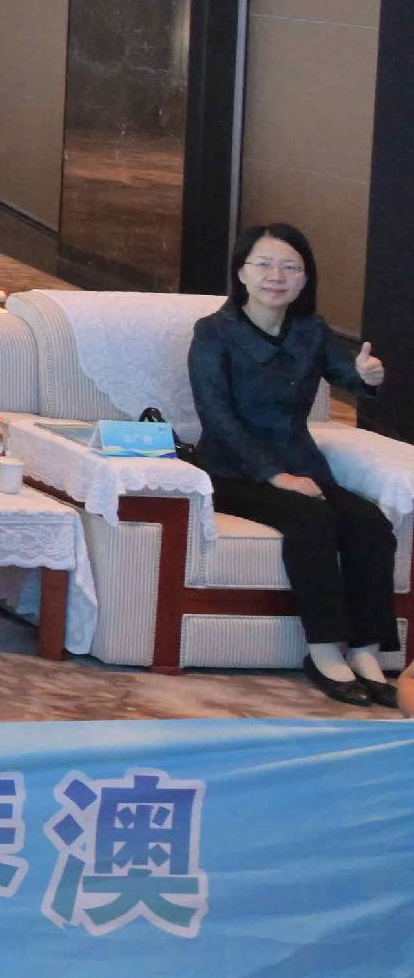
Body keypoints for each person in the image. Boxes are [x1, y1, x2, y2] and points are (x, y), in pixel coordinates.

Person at [183, 223, 399, 708]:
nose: (276, 276)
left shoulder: (312, 332)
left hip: (303, 467)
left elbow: (351, 378)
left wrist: (367, 378)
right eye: (264, 264)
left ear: (304, 279)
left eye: (290, 267)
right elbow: (216, 417)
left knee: (370, 524)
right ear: (241, 273)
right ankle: (324, 652)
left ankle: (367, 651)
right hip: (232, 470)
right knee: (310, 519)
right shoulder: (214, 333)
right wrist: (274, 475)